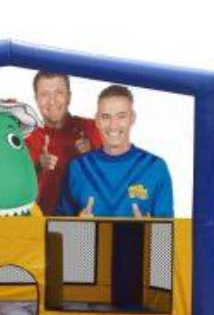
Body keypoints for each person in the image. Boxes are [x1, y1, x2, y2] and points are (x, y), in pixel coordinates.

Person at [56, 84, 173, 218]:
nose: (113, 125)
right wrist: (78, 225)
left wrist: (146, 228)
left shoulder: (156, 167)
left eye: (121, 116)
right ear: (97, 120)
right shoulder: (77, 167)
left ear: (132, 118)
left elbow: (169, 230)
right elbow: (57, 229)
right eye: (106, 117)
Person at [25, 72, 102, 215]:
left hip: (88, 221)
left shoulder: (93, 129)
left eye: (59, 93)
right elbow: (16, 190)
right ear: (36, 99)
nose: (52, 101)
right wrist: (38, 166)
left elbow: (115, 177)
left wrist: (91, 155)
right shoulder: (26, 139)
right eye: (44, 94)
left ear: (69, 97)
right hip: (42, 223)